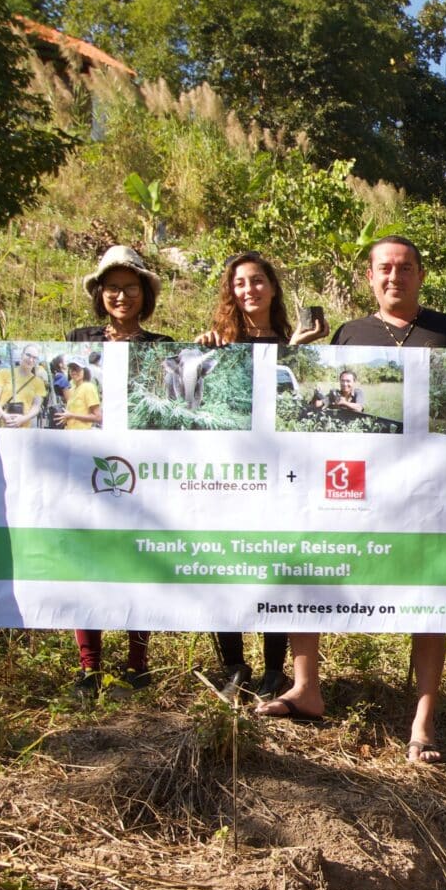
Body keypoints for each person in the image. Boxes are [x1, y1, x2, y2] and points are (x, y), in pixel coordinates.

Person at [265, 238, 446, 752]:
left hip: (426, 483)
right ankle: (306, 688)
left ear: (420, 274)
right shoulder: (349, 334)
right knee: (311, 564)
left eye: (404, 268)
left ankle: (424, 719)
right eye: (384, 269)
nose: (394, 276)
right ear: (370, 277)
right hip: (355, 481)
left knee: (429, 593)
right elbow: (326, 409)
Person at [65, 246, 172, 698]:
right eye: (112, 288)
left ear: (144, 294)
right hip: (86, 464)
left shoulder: (161, 347)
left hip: (142, 469)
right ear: (100, 294)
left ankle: (137, 666)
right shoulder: (80, 340)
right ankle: (90, 670)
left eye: (130, 288)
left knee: (137, 562)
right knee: (86, 563)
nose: (121, 296)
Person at [199, 252, 292, 701]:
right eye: (240, 283)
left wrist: (304, 351)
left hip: (281, 471)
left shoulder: (292, 343)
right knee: (226, 564)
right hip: (229, 469)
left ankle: (276, 669)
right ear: (230, 292)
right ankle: (233, 665)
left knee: (277, 565)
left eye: (257, 281)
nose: (249, 289)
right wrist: (202, 352)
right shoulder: (217, 344)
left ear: (272, 287)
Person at [0, 346, 52, 427]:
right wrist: (4, 415)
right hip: (1, 425)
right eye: (28, 355)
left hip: (24, 427)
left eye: (34, 358)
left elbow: (36, 406)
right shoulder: (3, 373)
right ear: (21, 355)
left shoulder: (38, 382)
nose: (31, 360)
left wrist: (23, 419)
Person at [57, 358, 101, 430]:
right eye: (71, 369)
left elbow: (98, 417)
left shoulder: (88, 387)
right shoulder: (72, 388)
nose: (74, 372)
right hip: (70, 433)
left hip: (82, 434)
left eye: (77, 369)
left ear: (85, 371)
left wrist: (72, 415)